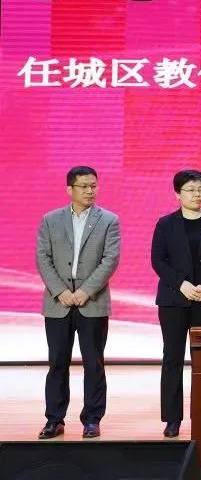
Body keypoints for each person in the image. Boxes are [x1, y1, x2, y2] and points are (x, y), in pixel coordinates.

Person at [36, 166, 121, 440]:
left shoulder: (109, 220)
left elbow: (110, 259)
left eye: (93, 185)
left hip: (92, 302)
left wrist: (86, 290)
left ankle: (92, 419)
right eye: (84, 186)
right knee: (57, 363)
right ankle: (54, 419)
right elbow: (43, 257)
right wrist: (60, 290)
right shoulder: (50, 220)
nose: (90, 190)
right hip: (58, 303)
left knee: (94, 364)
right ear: (69, 189)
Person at [151, 169, 201, 438]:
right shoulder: (165, 224)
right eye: (190, 190)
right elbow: (158, 260)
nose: (197, 194)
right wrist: (181, 284)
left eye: (200, 190)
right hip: (173, 301)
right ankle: (172, 419)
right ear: (177, 194)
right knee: (172, 358)